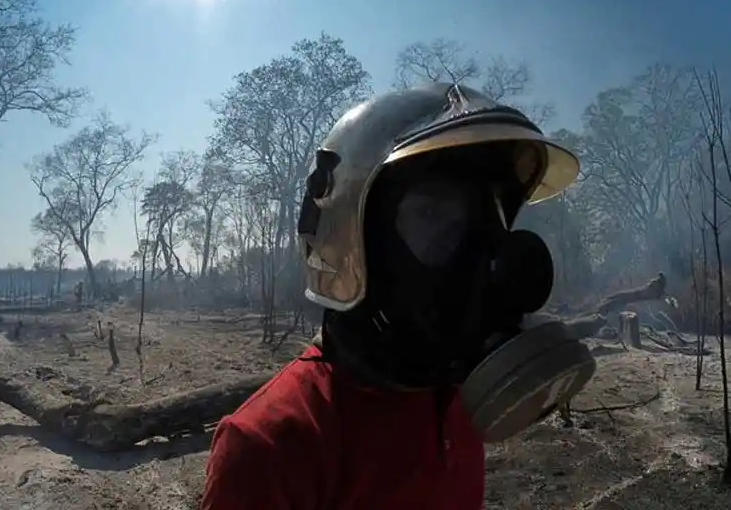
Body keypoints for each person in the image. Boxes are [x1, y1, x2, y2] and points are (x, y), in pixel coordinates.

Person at [201, 84, 597, 510]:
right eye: (431, 213)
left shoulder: (454, 399)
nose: (486, 252)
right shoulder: (269, 448)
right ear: (354, 241)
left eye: (494, 213)